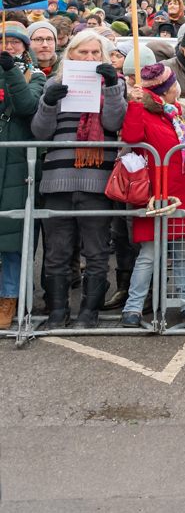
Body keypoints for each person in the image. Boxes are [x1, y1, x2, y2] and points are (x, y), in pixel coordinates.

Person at [30, 31, 127, 328]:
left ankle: (89, 313)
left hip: (97, 181)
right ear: (70, 54)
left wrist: (111, 86)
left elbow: (115, 123)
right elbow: (40, 132)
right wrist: (48, 102)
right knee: (57, 252)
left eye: (94, 53)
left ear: (103, 56)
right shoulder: (54, 84)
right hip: (58, 178)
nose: (88, 58)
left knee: (96, 252)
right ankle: (58, 312)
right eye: (82, 53)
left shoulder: (115, 84)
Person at [117, 64, 185, 328]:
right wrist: (133, 106)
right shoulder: (144, 110)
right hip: (158, 192)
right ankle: (132, 308)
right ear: (167, 89)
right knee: (149, 252)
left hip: (181, 189)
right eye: (173, 84)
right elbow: (132, 137)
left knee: (182, 251)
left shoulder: (174, 112)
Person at [0, 25, 45, 329]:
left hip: (18, 168)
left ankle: (9, 298)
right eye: (6, 41)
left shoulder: (36, 75)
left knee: (13, 238)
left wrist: (10, 72)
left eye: (17, 43)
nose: (11, 46)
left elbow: (28, 106)